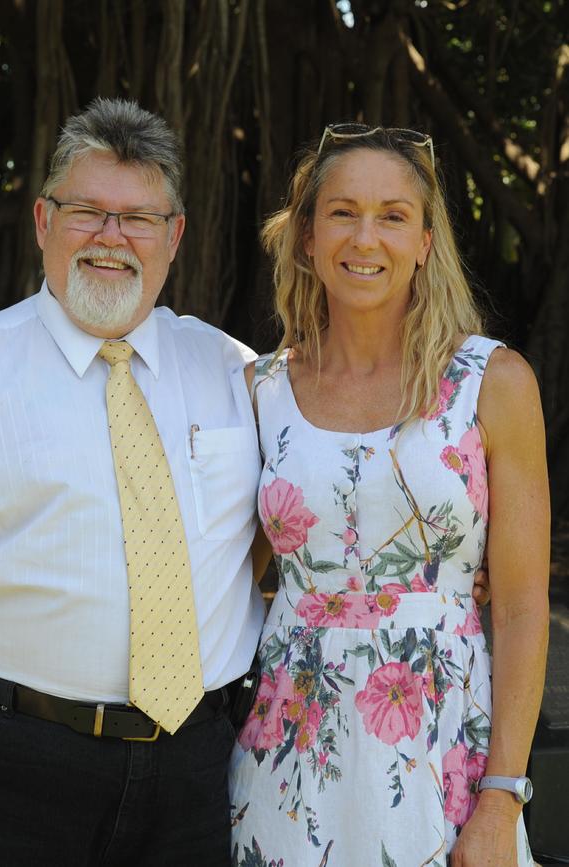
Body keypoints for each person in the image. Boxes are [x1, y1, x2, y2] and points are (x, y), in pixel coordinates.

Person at [0, 97, 266, 867]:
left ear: (174, 237)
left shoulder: (237, 373)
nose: (112, 238)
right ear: (44, 221)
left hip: (199, 766)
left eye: (138, 218)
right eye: (88, 212)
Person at [229, 124, 549, 866]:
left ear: (426, 241)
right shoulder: (260, 392)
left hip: (446, 761)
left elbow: (525, 605)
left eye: (392, 215)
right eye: (342, 212)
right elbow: (227, 579)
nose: (364, 237)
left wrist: (503, 793)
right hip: (285, 758)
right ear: (307, 238)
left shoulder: (492, 384)